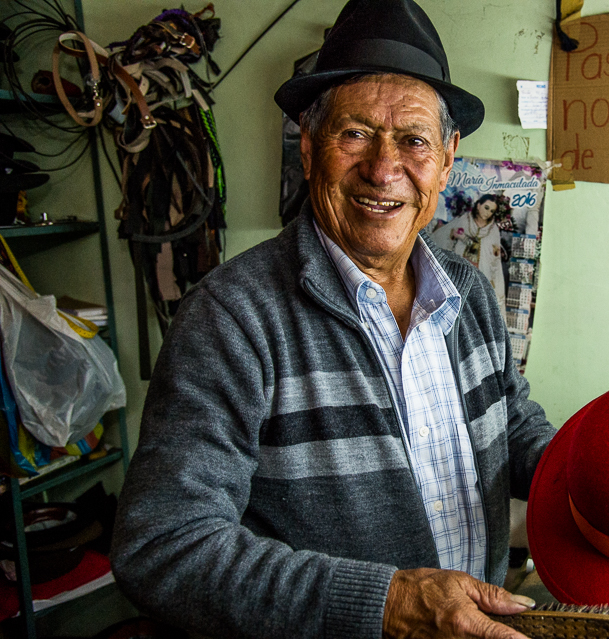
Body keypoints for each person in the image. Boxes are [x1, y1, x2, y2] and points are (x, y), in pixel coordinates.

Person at [109, 1, 557, 638]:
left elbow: (513, 430)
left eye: (414, 140)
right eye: (355, 133)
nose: (383, 168)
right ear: (310, 144)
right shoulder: (231, 318)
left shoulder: (468, 294)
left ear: (448, 157)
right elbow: (164, 547)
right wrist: (387, 603)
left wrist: (602, 478)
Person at [432, 193, 509, 317]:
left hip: (480, 274)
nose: (488, 213)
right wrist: (455, 236)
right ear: (478, 205)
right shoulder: (464, 220)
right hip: (461, 272)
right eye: (486, 207)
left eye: (492, 211)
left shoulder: (492, 229)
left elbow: (494, 258)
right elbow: (441, 236)